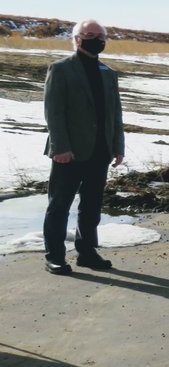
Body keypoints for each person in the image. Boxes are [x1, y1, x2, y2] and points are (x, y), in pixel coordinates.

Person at [42, 19, 125, 275]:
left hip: (99, 152)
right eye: (89, 34)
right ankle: (54, 256)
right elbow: (53, 113)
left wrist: (118, 146)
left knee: (91, 207)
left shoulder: (107, 73)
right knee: (59, 205)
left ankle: (87, 253)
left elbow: (115, 113)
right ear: (77, 39)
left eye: (100, 35)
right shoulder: (61, 69)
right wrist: (60, 148)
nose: (96, 39)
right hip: (69, 152)